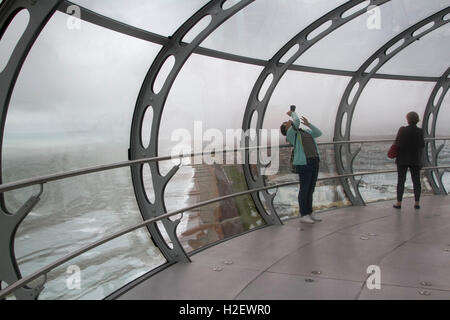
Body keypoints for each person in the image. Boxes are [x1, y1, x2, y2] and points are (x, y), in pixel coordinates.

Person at [280, 106, 322, 224]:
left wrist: (309, 124)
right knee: (304, 189)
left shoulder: (305, 132)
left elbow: (318, 133)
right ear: (286, 128)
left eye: (288, 121)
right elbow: (296, 122)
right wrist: (292, 113)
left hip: (314, 161)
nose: (288, 121)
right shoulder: (291, 134)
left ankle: (310, 212)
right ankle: (304, 214)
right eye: (286, 123)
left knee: (311, 189)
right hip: (304, 163)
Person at [393, 111, 425, 210]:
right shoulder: (420, 131)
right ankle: (417, 203)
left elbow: (397, 144)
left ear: (408, 119)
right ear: (417, 120)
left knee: (401, 181)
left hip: (402, 158)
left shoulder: (402, 130)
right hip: (415, 159)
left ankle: (399, 203)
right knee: (416, 181)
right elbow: (422, 145)